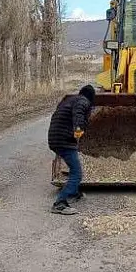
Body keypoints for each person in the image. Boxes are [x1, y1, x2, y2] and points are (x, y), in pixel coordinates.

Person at [48, 84, 95, 214]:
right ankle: (60, 203)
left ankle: (73, 193)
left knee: (73, 167)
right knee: (77, 173)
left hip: (56, 139)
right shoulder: (82, 101)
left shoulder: (70, 100)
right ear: (90, 96)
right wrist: (78, 129)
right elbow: (79, 113)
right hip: (64, 141)